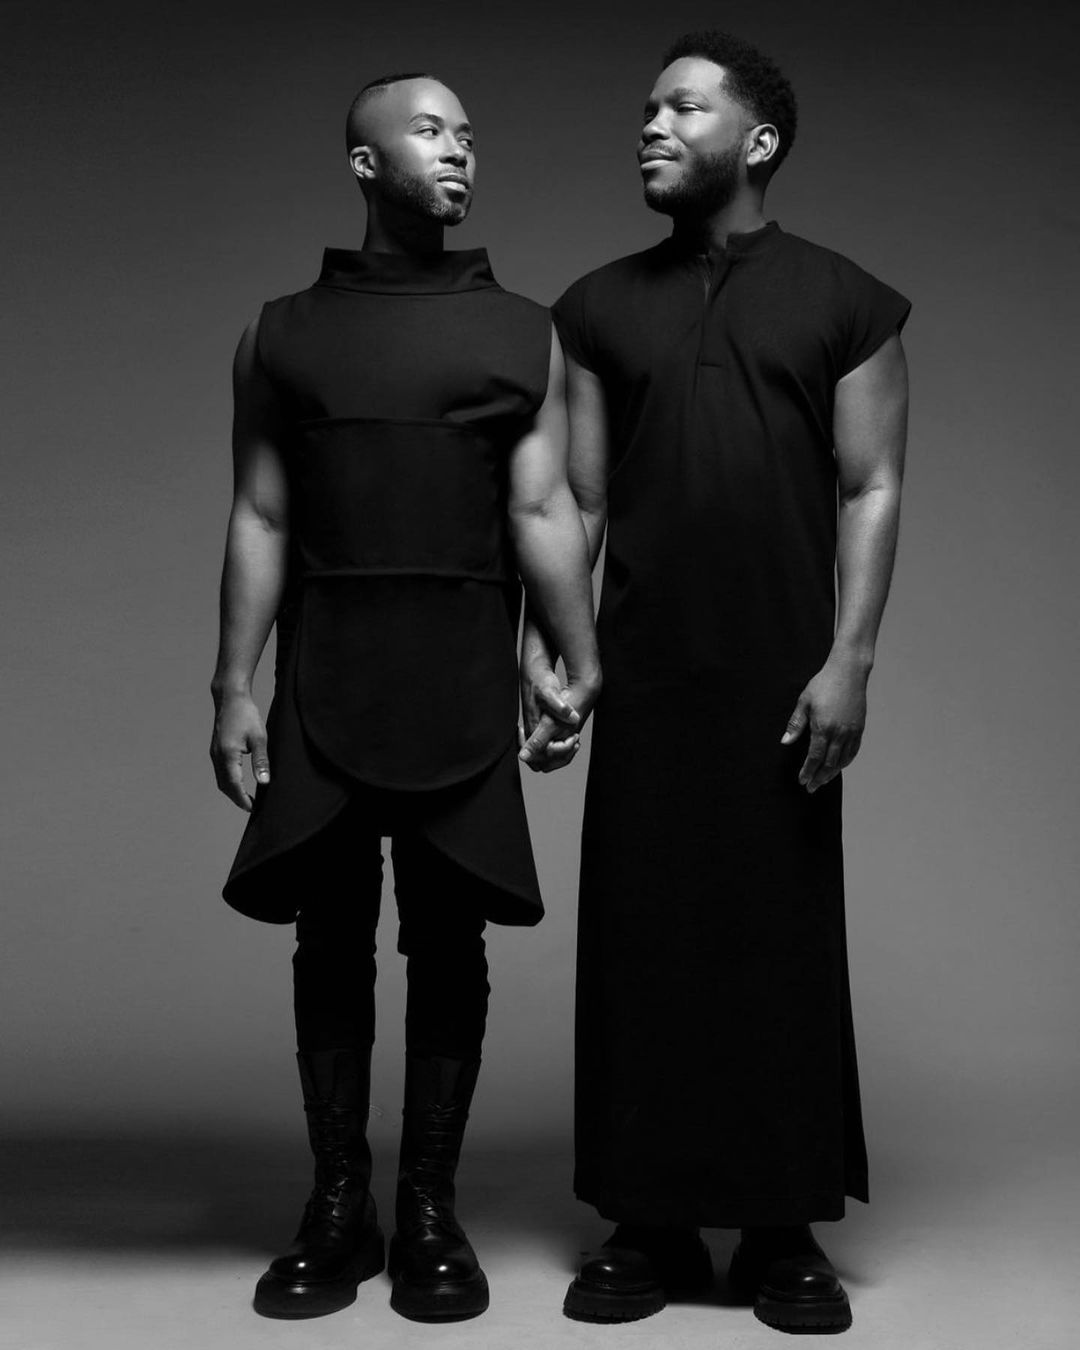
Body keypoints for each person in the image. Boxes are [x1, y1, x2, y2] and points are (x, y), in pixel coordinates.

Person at [520, 30, 910, 1334]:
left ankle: (783, 1225)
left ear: (758, 140)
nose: (651, 124)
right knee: (644, 934)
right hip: (643, 672)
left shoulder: (848, 300)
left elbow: (871, 484)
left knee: (777, 935)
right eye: (647, 107)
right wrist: (554, 646)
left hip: (783, 674)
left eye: (683, 107)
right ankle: (648, 1220)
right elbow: (576, 499)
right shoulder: (593, 307)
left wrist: (851, 658)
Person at [209, 72, 599, 1324]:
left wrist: (573, 650)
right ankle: (339, 1204)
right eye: (430, 132)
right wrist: (231, 684)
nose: (459, 152)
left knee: (449, 939)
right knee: (329, 936)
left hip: (462, 677)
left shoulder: (527, 333)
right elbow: (261, 513)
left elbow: (543, 504)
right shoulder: (279, 333)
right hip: (326, 672)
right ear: (364, 162)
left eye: (469, 136)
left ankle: (429, 1206)